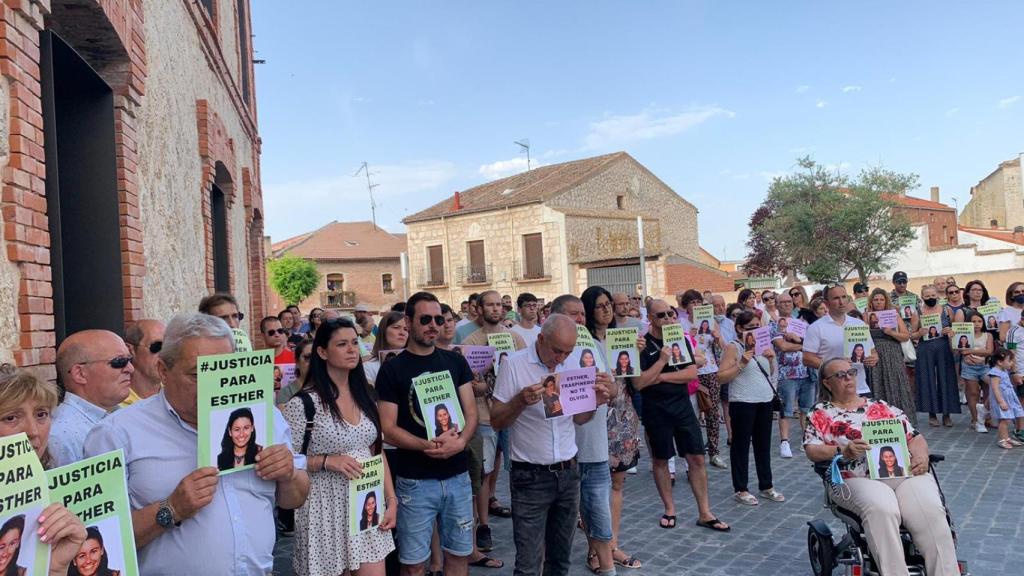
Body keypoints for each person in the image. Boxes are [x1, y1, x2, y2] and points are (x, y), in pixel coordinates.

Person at [83, 313, 309, 575]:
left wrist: (289, 474)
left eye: (224, 370)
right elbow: (97, 542)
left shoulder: (264, 418)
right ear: (163, 371)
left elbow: (294, 498)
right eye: (198, 374)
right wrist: (171, 509)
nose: (214, 386)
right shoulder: (116, 434)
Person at [804, 357, 960, 576]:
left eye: (851, 373)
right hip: (855, 477)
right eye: (840, 375)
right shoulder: (820, 413)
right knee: (882, 508)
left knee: (930, 509)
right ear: (827, 383)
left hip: (904, 473)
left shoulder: (881, 406)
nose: (848, 378)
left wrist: (921, 456)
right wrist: (842, 450)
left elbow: (914, 436)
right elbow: (812, 449)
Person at [491, 314, 612, 576]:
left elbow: (579, 419)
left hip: (568, 472)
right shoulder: (514, 364)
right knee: (528, 564)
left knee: (560, 560)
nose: (561, 358)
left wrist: (593, 403)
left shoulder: (573, 363)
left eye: (568, 352)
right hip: (530, 476)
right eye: (557, 351)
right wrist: (520, 401)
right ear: (541, 339)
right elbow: (497, 421)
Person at [282, 316, 396, 575]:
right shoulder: (303, 404)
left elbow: (376, 452)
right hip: (324, 509)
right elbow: (288, 461)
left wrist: (391, 499)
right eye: (342, 344)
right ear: (322, 352)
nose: (352, 350)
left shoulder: (366, 394)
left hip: (366, 504)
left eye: (354, 343)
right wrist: (326, 461)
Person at [376, 292, 478, 576]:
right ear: (409, 322)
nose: (433, 325)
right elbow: (387, 428)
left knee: (459, 555)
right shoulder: (392, 369)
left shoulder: (455, 362)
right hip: (414, 481)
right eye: (425, 319)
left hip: (457, 476)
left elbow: (471, 413)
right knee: (413, 565)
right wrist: (428, 445)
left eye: (438, 319)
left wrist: (460, 442)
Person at [635, 299, 729, 532]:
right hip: (656, 409)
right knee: (661, 459)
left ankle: (705, 512)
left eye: (670, 314)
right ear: (650, 319)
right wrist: (662, 361)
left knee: (696, 457)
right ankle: (669, 509)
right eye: (661, 315)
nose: (668, 318)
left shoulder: (679, 338)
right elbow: (639, 383)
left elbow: (690, 373)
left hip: (682, 405)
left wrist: (659, 376)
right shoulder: (642, 345)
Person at [0, 365, 88, 575]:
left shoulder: (53, 497)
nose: (32, 431)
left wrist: (55, 568)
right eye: (11, 418)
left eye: (41, 414)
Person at [581, 286, 642, 570]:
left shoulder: (622, 337)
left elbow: (635, 381)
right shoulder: (584, 342)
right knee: (593, 487)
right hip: (594, 416)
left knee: (617, 483)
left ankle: (612, 544)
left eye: (608, 304)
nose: (606, 309)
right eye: (599, 305)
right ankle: (595, 550)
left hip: (622, 415)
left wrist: (637, 354)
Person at [460, 290, 525, 554]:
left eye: (499, 305)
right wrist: (479, 384)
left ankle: (525, 518)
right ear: (479, 308)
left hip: (513, 414)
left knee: (519, 467)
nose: (496, 309)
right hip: (484, 415)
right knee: (484, 471)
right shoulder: (471, 341)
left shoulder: (515, 338)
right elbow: (467, 383)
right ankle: (483, 524)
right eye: (490, 305)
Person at [718, 310, 784, 506]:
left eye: (757, 326)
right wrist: (742, 363)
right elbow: (721, 377)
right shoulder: (734, 347)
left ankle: (766, 485)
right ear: (740, 328)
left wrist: (770, 360)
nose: (755, 330)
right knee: (741, 446)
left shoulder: (763, 344)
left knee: (763, 445)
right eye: (750, 327)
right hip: (743, 401)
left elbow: (769, 373)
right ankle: (741, 488)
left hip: (764, 400)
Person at [51, 330, 135, 466]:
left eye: (130, 360)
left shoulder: (123, 415)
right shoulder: (61, 437)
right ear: (80, 374)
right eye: (119, 361)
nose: (130, 369)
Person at [803, 285, 879, 399]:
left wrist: (873, 358)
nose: (841, 302)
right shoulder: (816, 327)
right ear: (826, 303)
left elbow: (872, 351)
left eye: (844, 297)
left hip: (860, 387)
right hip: (832, 390)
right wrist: (836, 366)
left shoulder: (859, 324)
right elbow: (807, 358)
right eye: (836, 298)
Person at [865, 288, 916, 425]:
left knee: (896, 384)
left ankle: (901, 419)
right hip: (874, 354)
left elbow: (905, 336)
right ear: (871, 301)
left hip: (892, 353)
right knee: (877, 383)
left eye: (881, 299)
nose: (878, 302)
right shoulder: (866, 316)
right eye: (876, 299)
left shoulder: (894, 315)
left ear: (886, 301)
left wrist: (891, 332)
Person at [914, 285, 962, 427]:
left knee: (946, 378)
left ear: (937, 296)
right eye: (927, 296)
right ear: (922, 297)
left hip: (944, 347)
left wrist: (950, 331)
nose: (930, 298)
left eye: (933, 295)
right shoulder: (917, 312)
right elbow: (912, 335)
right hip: (925, 348)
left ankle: (947, 414)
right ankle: (932, 413)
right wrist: (919, 333)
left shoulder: (946, 310)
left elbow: (956, 330)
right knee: (927, 379)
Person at [772, 292, 811, 459]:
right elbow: (782, 346)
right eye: (782, 302)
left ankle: (807, 438)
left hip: (806, 370)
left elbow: (811, 343)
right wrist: (802, 345)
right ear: (777, 305)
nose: (786, 304)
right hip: (786, 372)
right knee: (786, 409)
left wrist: (798, 341)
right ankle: (785, 442)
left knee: (806, 408)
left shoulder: (800, 323)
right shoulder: (775, 324)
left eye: (789, 301)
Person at [960, 311, 993, 433]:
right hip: (969, 367)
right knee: (973, 393)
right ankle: (975, 419)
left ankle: (986, 417)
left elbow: (989, 351)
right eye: (973, 321)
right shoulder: (964, 335)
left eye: (979, 321)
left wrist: (970, 351)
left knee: (990, 389)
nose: (977, 324)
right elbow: (959, 350)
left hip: (984, 366)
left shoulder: (988, 335)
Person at [121, 319, 165, 406]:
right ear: (130, 350)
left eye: (168, 347)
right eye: (157, 346)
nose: (164, 354)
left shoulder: (177, 395)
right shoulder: (115, 402)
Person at [987, 348, 1024, 449]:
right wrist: (1001, 402)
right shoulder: (995, 373)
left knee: (1008, 418)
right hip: (1002, 400)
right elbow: (995, 388)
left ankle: (1006, 438)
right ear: (1000, 362)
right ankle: (1002, 440)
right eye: (1009, 361)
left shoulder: (1003, 370)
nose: (1012, 363)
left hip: (1008, 398)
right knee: (1005, 420)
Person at [363, 311, 409, 385]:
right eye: (396, 327)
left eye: (406, 329)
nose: (402, 333)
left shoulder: (415, 363)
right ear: (383, 330)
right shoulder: (368, 367)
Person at [216, 407, 262, 471]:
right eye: (237, 429)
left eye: (246, 428)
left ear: (252, 428)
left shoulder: (261, 452)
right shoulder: (221, 458)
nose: (241, 434)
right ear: (230, 431)